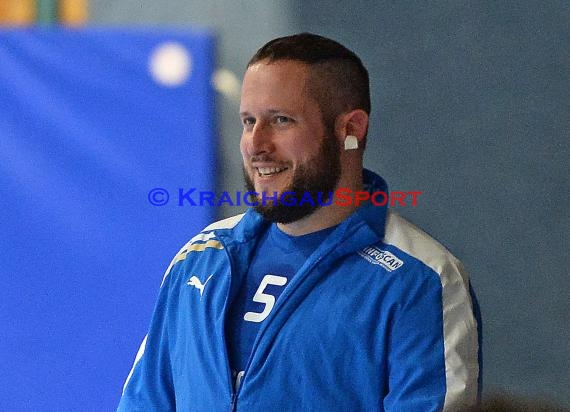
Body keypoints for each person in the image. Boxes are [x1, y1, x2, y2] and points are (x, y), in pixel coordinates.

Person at [117, 33, 481, 411]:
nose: (256, 145)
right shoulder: (201, 258)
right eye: (248, 121)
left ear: (351, 129)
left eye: (281, 120)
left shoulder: (418, 280)